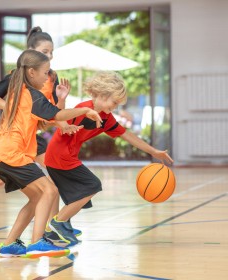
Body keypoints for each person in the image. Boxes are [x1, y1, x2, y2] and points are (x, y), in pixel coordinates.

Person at [0, 27, 81, 240]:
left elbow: (52, 111)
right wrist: (18, 111)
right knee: (51, 180)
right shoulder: (19, 77)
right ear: (31, 53)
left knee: (3, 179)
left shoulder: (51, 77)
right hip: (18, 135)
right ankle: (53, 227)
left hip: (32, 133)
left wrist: (62, 122)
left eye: (52, 52)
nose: (50, 56)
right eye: (45, 51)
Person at [0, 49, 102, 258]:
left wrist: (60, 100)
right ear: (31, 72)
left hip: (4, 154)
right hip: (12, 154)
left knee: (36, 198)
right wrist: (84, 110)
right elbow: (57, 115)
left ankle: (10, 244)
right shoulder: (31, 94)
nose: (47, 77)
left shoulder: (19, 92)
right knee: (49, 189)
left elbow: (45, 122)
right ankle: (37, 242)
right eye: (45, 72)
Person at [44, 71, 174, 245]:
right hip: (60, 156)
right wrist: (62, 106)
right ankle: (58, 222)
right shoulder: (84, 108)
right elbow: (58, 118)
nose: (115, 107)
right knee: (92, 185)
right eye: (114, 102)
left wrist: (153, 151)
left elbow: (127, 135)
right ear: (103, 95)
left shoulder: (106, 118)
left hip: (66, 157)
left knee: (71, 190)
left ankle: (53, 230)